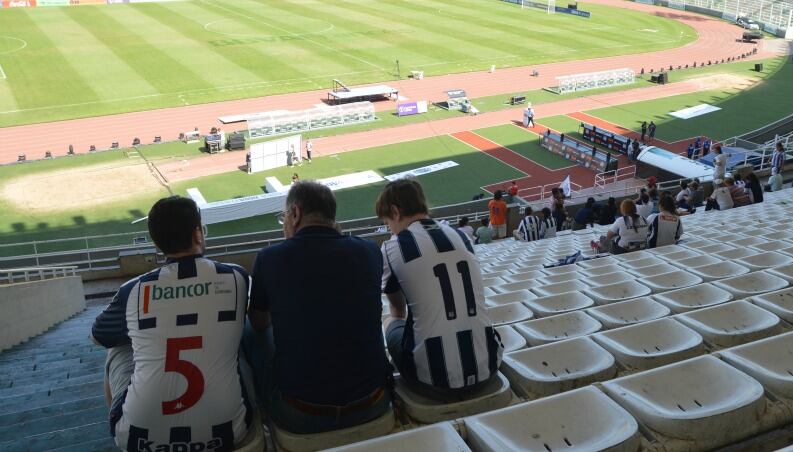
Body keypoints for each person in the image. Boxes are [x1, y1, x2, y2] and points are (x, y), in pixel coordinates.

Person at [92, 196, 253, 450]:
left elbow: (98, 336)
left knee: (115, 346)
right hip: (229, 431)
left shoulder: (132, 290)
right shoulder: (236, 277)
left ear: (158, 243)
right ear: (198, 234)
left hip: (137, 439)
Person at [248, 181, 391, 434]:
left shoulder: (270, 258)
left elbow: (259, 322)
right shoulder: (369, 251)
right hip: (374, 401)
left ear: (295, 213)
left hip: (299, 412)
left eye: (285, 217)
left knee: (249, 333)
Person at [376, 179, 503, 398]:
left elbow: (398, 310)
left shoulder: (391, 246)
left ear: (395, 212)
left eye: (388, 222)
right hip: (489, 368)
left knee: (391, 321)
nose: (390, 229)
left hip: (431, 381)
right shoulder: (462, 237)